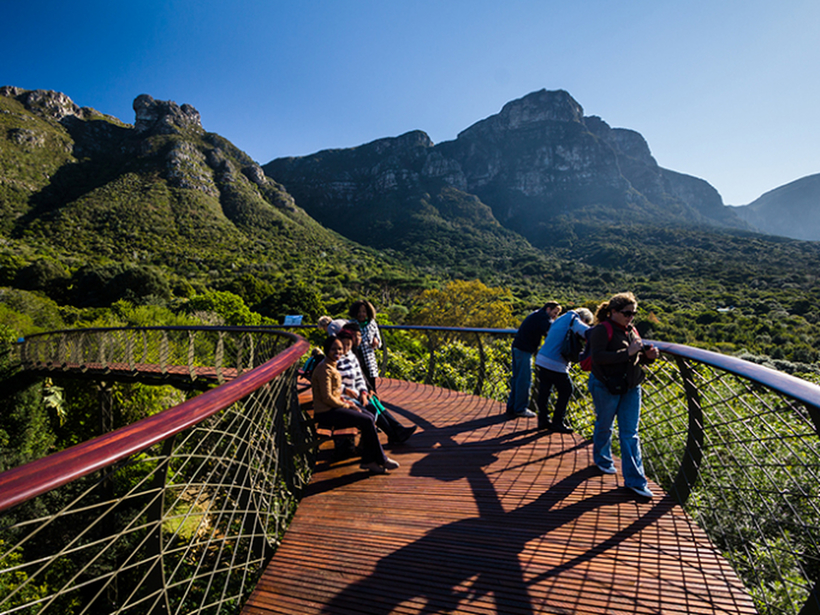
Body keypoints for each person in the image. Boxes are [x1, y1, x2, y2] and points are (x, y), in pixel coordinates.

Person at [587, 292, 659, 498]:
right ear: (613, 312)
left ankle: (636, 481)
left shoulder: (631, 330)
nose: (630, 317)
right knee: (605, 424)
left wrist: (648, 357)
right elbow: (598, 357)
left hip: (630, 386)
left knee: (630, 434)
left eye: (633, 314)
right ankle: (602, 459)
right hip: (606, 385)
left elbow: (635, 360)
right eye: (627, 313)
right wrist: (627, 353)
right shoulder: (602, 330)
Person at [311, 335, 399, 474]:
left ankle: (371, 460)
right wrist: (347, 405)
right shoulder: (325, 370)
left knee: (369, 415)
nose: (337, 352)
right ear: (327, 350)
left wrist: (347, 401)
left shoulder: (331, 366)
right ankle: (377, 459)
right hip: (326, 413)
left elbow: (334, 394)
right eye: (333, 349)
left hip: (334, 408)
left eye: (340, 349)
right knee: (366, 419)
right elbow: (327, 397)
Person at [337, 327, 417, 444]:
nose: (357, 339)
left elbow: (360, 376)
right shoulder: (341, 357)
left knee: (374, 401)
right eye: (355, 336)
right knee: (372, 404)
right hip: (349, 395)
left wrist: (367, 390)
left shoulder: (352, 354)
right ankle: (394, 432)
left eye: (358, 336)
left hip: (359, 390)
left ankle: (396, 430)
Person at [534, 307, 594, 432]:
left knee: (544, 391)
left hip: (542, 359)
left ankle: (543, 420)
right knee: (566, 390)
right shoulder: (575, 320)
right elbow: (588, 333)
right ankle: (557, 422)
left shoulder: (560, 319)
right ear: (584, 319)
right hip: (555, 363)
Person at [506, 302, 562, 419]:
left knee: (517, 378)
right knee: (524, 379)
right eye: (554, 313)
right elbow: (550, 330)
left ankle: (512, 406)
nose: (555, 316)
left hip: (518, 347)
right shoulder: (543, 317)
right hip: (524, 350)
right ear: (548, 309)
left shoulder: (536, 314)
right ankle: (520, 408)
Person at [349, 300, 382, 393]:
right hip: (356, 355)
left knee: (371, 381)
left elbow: (378, 340)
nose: (361, 314)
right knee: (359, 379)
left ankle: (373, 399)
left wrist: (376, 341)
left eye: (363, 311)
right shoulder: (351, 324)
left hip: (368, 356)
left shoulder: (372, 323)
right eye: (359, 312)